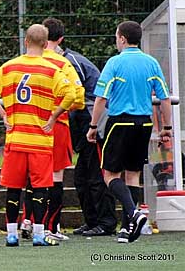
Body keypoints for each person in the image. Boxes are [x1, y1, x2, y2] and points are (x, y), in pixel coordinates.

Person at [0, 24, 76, 247]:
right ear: (45, 44)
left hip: (15, 139)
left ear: (25, 41)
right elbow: (71, 94)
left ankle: (11, 235)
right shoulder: (51, 70)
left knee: (14, 187)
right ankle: (39, 235)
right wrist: (53, 117)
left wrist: (3, 113)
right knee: (41, 188)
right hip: (40, 141)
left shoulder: (10, 67)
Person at [86, 20, 172, 243]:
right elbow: (164, 98)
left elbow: (101, 98)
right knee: (133, 174)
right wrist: (167, 128)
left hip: (120, 123)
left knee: (109, 175)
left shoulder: (114, 63)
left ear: (122, 38)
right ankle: (128, 229)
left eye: (116, 37)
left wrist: (93, 126)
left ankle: (133, 213)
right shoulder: (151, 62)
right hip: (144, 124)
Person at [57, 45, 118, 236]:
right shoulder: (59, 62)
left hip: (94, 122)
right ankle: (91, 221)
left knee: (96, 174)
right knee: (81, 177)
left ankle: (107, 222)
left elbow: (80, 97)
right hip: (82, 123)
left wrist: (92, 127)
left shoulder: (71, 62)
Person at [33, 18, 85, 241]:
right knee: (55, 176)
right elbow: (79, 97)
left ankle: (29, 223)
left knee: (31, 176)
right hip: (57, 125)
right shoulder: (62, 64)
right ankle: (50, 228)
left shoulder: (21, 62)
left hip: (29, 125)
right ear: (60, 39)